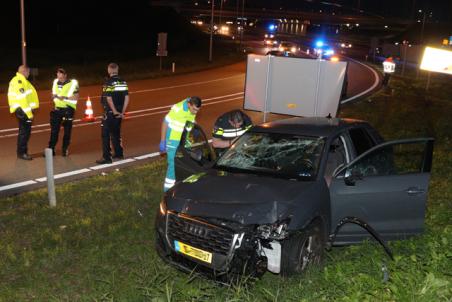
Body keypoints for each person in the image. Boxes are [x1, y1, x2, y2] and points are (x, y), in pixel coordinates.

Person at [159, 96, 202, 192]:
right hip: (172, 140)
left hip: (182, 141)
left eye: (197, 110)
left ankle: (179, 189)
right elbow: (165, 123)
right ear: (188, 104)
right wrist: (163, 141)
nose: (195, 112)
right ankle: (167, 192)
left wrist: (196, 129)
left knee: (183, 164)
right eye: (194, 109)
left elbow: (191, 121)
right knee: (173, 166)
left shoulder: (192, 109)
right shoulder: (178, 109)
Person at [96, 63, 129, 164]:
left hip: (111, 112)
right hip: (119, 112)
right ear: (117, 70)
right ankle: (119, 153)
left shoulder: (108, 82)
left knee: (105, 135)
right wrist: (122, 112)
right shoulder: (123, 81)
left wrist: (114, 111)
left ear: (109, 70)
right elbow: (127, 98)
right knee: (116, 133)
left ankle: (107, 157)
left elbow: (109, 98)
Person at [7, 65, 40, 160]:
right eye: (28, 72)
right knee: (25, 132)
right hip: (22, 110)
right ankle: (22, 153)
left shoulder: (20, 80)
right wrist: (29, 114)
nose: (29, 74)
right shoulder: (19, 81)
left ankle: (22, 152)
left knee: (24, 131)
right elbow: (22, 99)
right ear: (24, 71)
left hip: (22, 109)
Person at [48, 68, 79, 156]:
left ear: (65, 75)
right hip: (57, 109)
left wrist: (64, 98)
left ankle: (65, 149)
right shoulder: (55, 82)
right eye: (58, 76)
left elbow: (76, 96)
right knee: (54, 131)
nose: (59, 79)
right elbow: (53, 94)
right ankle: (51, 150)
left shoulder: (73, 83)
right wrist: (53, 96)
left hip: (68, 109)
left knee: (67, 131)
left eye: (61, 77)